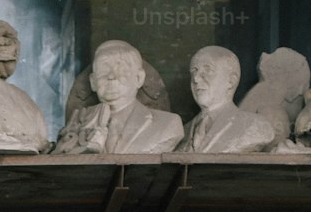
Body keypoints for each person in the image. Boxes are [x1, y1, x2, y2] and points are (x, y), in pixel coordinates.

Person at [54, 40, 183, 154]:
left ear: (139, 78)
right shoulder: (77, 123)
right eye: (104, 68)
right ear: (93, 82)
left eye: (121, 67)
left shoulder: (168, 124)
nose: (111, 76)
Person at [179, 46, 277, 153]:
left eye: (208, 70)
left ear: (231, 80)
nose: (196, 78)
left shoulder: (256, 126)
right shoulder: (182, 132)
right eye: (194, 70)